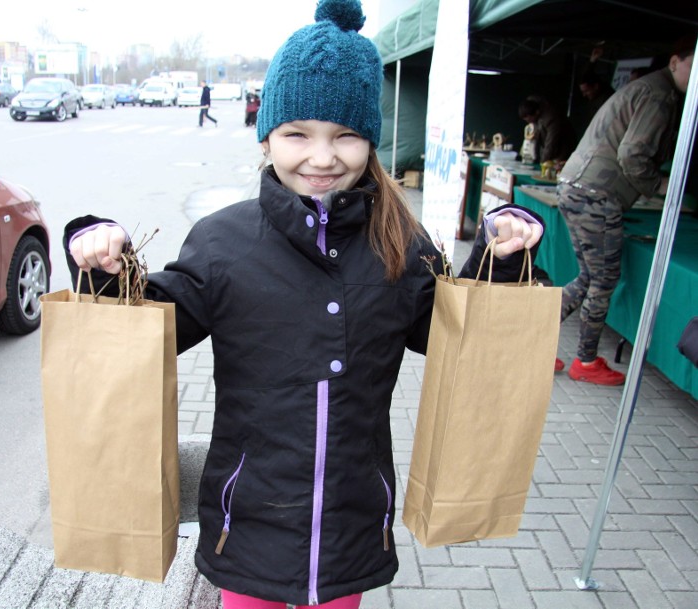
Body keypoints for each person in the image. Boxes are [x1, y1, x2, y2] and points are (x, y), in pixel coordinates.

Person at [65, 1, 543, 607]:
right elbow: (147, 329)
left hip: (353, 522)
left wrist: (502, 258)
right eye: (298, 134)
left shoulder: (403, 242)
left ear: (371, 139)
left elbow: (457, 335)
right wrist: (103, 259)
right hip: (248, 526)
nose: (322, 158)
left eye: (345, 135)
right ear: (267, 136)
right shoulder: (221, 240)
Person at [555, 35, 695, 385]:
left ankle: (530, 342)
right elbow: (632, 155)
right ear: (675, 61)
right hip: (596, 194)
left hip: (580, 187)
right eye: (695, 65)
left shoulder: (652, 89)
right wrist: (660, 187)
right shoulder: (660, 94)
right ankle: (585, 361)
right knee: (602, 281)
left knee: (588, 278)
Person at [517, 96, 577, 165]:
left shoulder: (551, 119)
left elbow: (551, 144)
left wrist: (542, 163)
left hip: (563, 150)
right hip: (550, 148)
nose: (529, 122)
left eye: (530, 119)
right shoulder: (532, 106)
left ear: (537, 112)